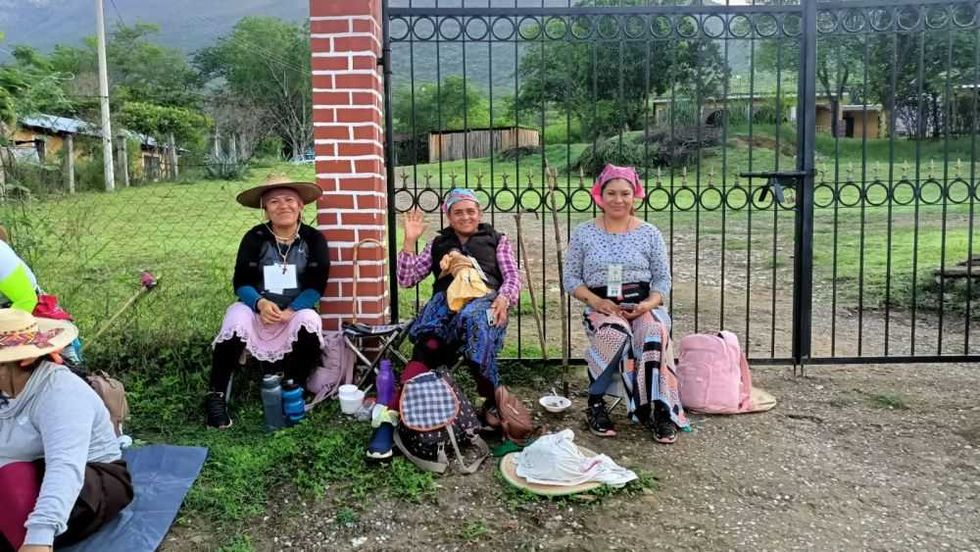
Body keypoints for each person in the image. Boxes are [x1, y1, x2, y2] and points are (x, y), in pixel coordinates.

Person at [366, 188, 522, 459]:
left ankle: (492, 402)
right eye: (458, 212)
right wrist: (408, 241)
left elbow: (511, 276)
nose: (465, 217)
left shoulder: (497, 240)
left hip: (485, 303)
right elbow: (407, 279)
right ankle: (391, 417)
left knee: (475, 323)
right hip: (444, 308)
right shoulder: (438, 244)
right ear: (448, 215)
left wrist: (505, 299)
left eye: (470, 211)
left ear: (479, 213)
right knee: (429, 344)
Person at [563, 164, 688, 444]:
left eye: (625, 193)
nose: (618, 200)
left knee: (653, 332)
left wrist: (647, 305)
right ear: (599, 195)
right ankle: (595, 403)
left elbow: (662, 281)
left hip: (643, 305)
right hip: (602, 306)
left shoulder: (649, 233)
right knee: (614, 333)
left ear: (635, 195)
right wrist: (597, 301)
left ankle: (658, 409)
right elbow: (571, 279)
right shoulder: (584, 233)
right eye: (611, 193)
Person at [0, 309, 133, 552]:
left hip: (89, 484)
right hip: (28, 466)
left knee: (11, 480)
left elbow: (65, 467)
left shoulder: (60, 392)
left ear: (22, 361)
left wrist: (39, 537)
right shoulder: (5, 388)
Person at [206, 174, 330, 429]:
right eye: (274, 202)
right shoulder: (255, 237)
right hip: (258, 309)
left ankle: (292, 385)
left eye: (289, 200)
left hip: (293, 311)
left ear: (301, 206)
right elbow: (241, 282)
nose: (282, 206)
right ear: (265, 208)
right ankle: (216, 396)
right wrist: (260, 304)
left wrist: (291, 309)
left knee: (310, 321)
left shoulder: (314, 239)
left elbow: (317, 285)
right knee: (235, 319)